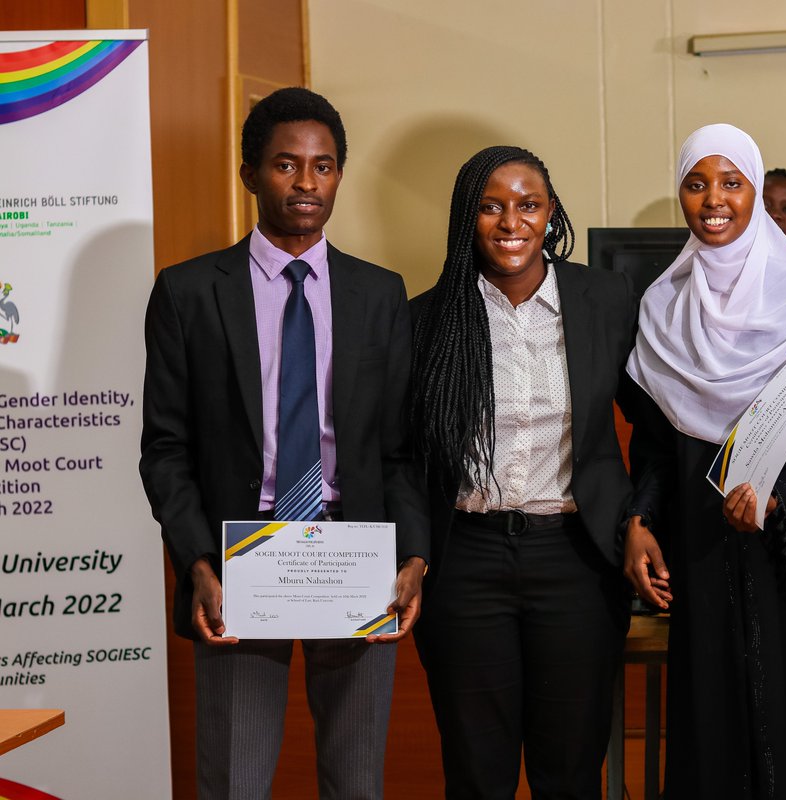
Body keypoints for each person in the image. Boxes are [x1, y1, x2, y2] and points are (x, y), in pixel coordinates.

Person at [139, 87, 428, 799]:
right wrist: (198, 561)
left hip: (353, 556)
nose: (307, 183)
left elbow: (401, 449)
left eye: (324, 166)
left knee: (357, 783)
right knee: (235, 783)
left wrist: (415, 554)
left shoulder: (379, 293)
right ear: (250, 174)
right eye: (286, 165)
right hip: (242, 562)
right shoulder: (188, 292)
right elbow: (164, 448)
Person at [623, 123, 786, 798]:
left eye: (731, 183)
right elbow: (654, 441)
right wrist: (642, 518)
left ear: (755, 192)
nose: (714, 199)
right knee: (716, 733)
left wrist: (780, 498)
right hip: (703, 557)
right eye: (696, 182)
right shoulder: (659, 309)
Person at [409, 145, 635, 800]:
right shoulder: (428, 319)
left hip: (575, 558)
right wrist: (414, 553)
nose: (512, 223)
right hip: (466, 563)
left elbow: (656, 425)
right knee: (479, 771)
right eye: (491, 207)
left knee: (569, 768)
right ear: (466, 218)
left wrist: (641, 515)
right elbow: (402, 453)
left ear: (551, 213)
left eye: (528, 205)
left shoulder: (605, 298)